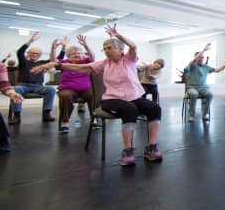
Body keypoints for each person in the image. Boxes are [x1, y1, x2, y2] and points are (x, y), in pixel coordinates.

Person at [32, 24, 163, 167]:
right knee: (130, 109)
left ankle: (151, 147)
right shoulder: (104, 63)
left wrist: (117, 35)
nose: (106, 51)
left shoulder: (129, 59)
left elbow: (133, 45)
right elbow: (81, 67)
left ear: (120, 49)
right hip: (111, 99)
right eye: (104, 48)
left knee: (154, 108)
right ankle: (127, 151)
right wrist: (56, 65)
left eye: (109, 48)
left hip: (133, 97)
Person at [9, 31, 56, 124]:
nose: (34, 55)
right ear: (28, 53)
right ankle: (17, 115)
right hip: (23, 85)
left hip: (38, 86)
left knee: (51, 89)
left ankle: (47, 113)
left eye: (37, 53)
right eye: (32, 53)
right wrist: (30, 41)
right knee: (17, 89)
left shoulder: (41, 63)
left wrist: (53, 48)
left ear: (40, 55)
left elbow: (53, 60)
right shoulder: (24, 62)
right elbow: (20, 52)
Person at [53, 35, 95, 133]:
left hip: (86, 89)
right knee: (65, 95)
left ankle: (95, 118)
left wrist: (85, 45)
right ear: (68, 56)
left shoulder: (86, 61)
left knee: (93, 94)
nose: (77, 55)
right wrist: (54, 48)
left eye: (79, 53)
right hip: (68, 89)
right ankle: (64, 122)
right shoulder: (64, 63)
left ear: (83, 55)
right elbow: (54, 61)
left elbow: (92, 56)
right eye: (73, 54)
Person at [185, 43, 225, 122]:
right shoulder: (192, 65)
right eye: (200, 57)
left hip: (204, 88)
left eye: (202, 57)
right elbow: (194, 60)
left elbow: (217, 70)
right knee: (194, 94)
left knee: (210, 94)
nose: (201, 59)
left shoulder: (206, 66)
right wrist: (204, 50)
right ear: (196, 58)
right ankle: (191, 115)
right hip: (192, 88)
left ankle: (205, 114)